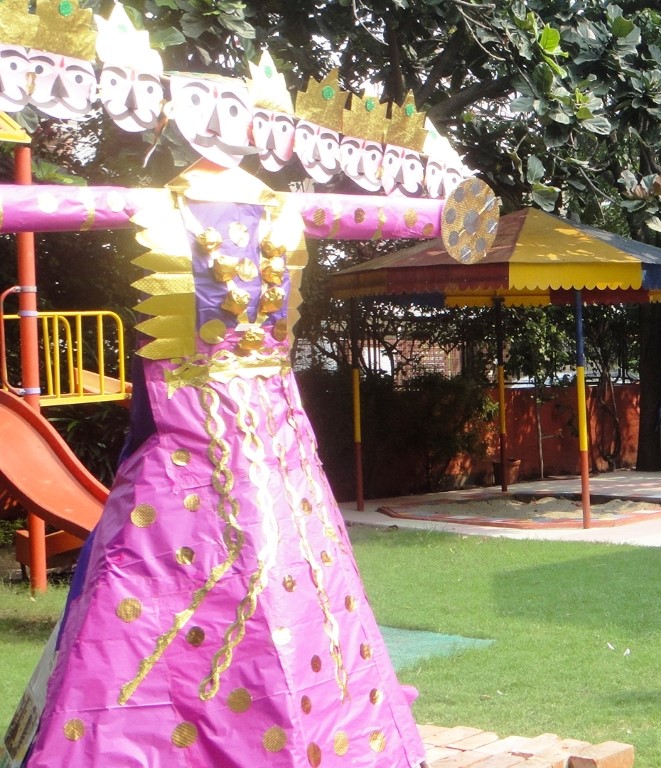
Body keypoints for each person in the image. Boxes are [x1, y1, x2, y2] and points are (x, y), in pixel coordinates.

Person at [10, 164, 427, 767]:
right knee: (280, 590)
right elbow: (383, 215)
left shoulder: (182, 206)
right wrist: (450, 214)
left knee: (193, 594)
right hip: (249, 444)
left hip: (222, 443)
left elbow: (52, 206)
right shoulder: (260, 210)